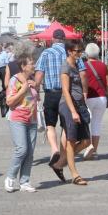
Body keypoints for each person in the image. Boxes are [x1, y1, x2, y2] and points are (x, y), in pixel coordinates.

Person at [35, 29, 68, 181]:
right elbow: (81, 73)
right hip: (67, 94)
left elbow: (40, 74)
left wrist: (35, 90)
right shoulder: (70, 53)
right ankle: (62, 151)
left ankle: (54, 149)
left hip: (51, 93)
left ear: (53, 39)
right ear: (64, 39)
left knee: (50, 124)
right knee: (66, 126)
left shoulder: (46, 53)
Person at [4, 54, 39, 192]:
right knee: (21, 149)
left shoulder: (31, 79)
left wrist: (35, 87)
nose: (34, 66)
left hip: (32, 119)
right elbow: (9, 101)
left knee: (30, 152)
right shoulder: (15, 80)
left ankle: (24, 181)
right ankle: (10, 178)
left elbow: (36, 98)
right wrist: (23, 90)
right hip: (18, 118)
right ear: (23, 66)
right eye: (31, 63)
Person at [59, 42, 91, 185]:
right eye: (77, 51)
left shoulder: (76, 65)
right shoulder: (65, 66)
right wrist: (73, 111)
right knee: (71, 140)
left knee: (86, 141)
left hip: (79, 104)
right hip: (68, 105)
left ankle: (62, 162)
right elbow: (65, 90)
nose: (80, 54)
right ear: (69, 51)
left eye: (81, 51)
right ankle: (75, 175)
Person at [84, 42, 108, 158]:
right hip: (101, 97)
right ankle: (94, 150)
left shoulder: (83, 65)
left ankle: (88, 146)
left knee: (86, 122)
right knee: (97, 124)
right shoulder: (103, 65)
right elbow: (107, 83)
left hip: (88, 97)